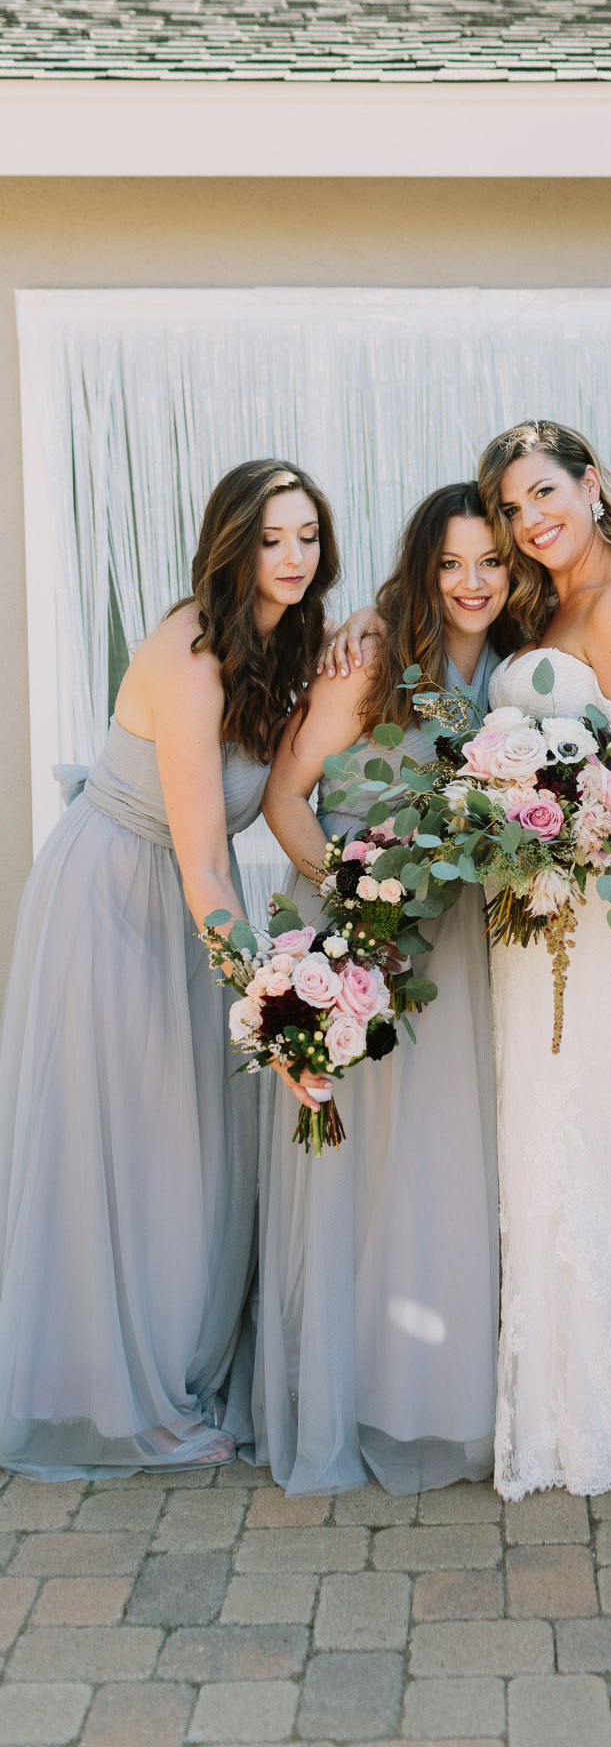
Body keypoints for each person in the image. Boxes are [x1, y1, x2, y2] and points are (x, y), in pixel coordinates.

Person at [0, 458, 337, 1476]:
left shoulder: (287, 644)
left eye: (308, 537)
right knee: (126, 1137)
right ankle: (118, 1396)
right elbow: (203, 862)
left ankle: (177, 1358)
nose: (291, 557)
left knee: (191, 1138)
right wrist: (275, 1013)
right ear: (231, 547)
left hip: (187, 901)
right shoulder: (191, 655)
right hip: (115, 892)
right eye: (270, 539)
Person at [254, 482, 510, 1494]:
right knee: (356, 1166)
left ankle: (434, 1391)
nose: (472, 581)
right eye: (451, 563)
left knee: (438, 1159)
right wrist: (346, 901)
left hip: (452, 937)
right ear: (420, 568)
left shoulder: (512, 665)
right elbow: (284, 795)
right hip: (354, 930)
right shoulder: (371, 660)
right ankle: (346, 1392)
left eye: (490, 561)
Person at [478, 418, 611, 1499]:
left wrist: (563, 827)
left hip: (594, 918)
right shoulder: (543, 607)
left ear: (591, 483)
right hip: (529, 904)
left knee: (590, 1113)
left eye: (544, 493)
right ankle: (550, 1392)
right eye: (513, 508)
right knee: (535, 1123)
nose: (530, 520)